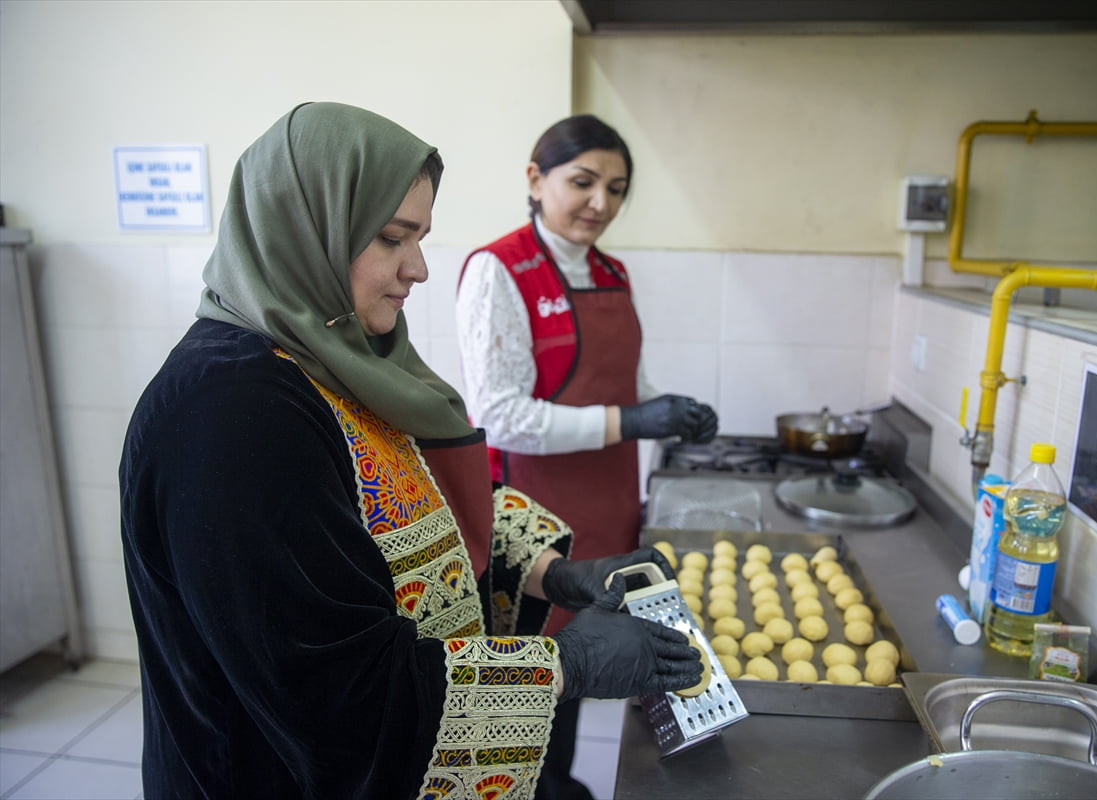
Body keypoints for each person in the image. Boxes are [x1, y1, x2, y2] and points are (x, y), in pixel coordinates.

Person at [119, 102, 702, 799]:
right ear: (307, 230)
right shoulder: (234, 414)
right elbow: (340, 695)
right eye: (393, 239)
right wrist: (562, 665)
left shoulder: (331, 357)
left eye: (419, 237)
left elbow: (404, 509)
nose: (418, 269)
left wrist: (556, 572)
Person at [455, 113, 718, 799]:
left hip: (606, 508)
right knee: (544, 673)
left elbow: (624, 384)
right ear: (536, 180)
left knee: (590, 670)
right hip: (534, 526)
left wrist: (669, 409)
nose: (601, 203)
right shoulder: (498, 270)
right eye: (583, 182)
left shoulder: (612, 270)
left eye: (618, 188)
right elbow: (500, 416)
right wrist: (632, 419)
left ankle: (562, 784)